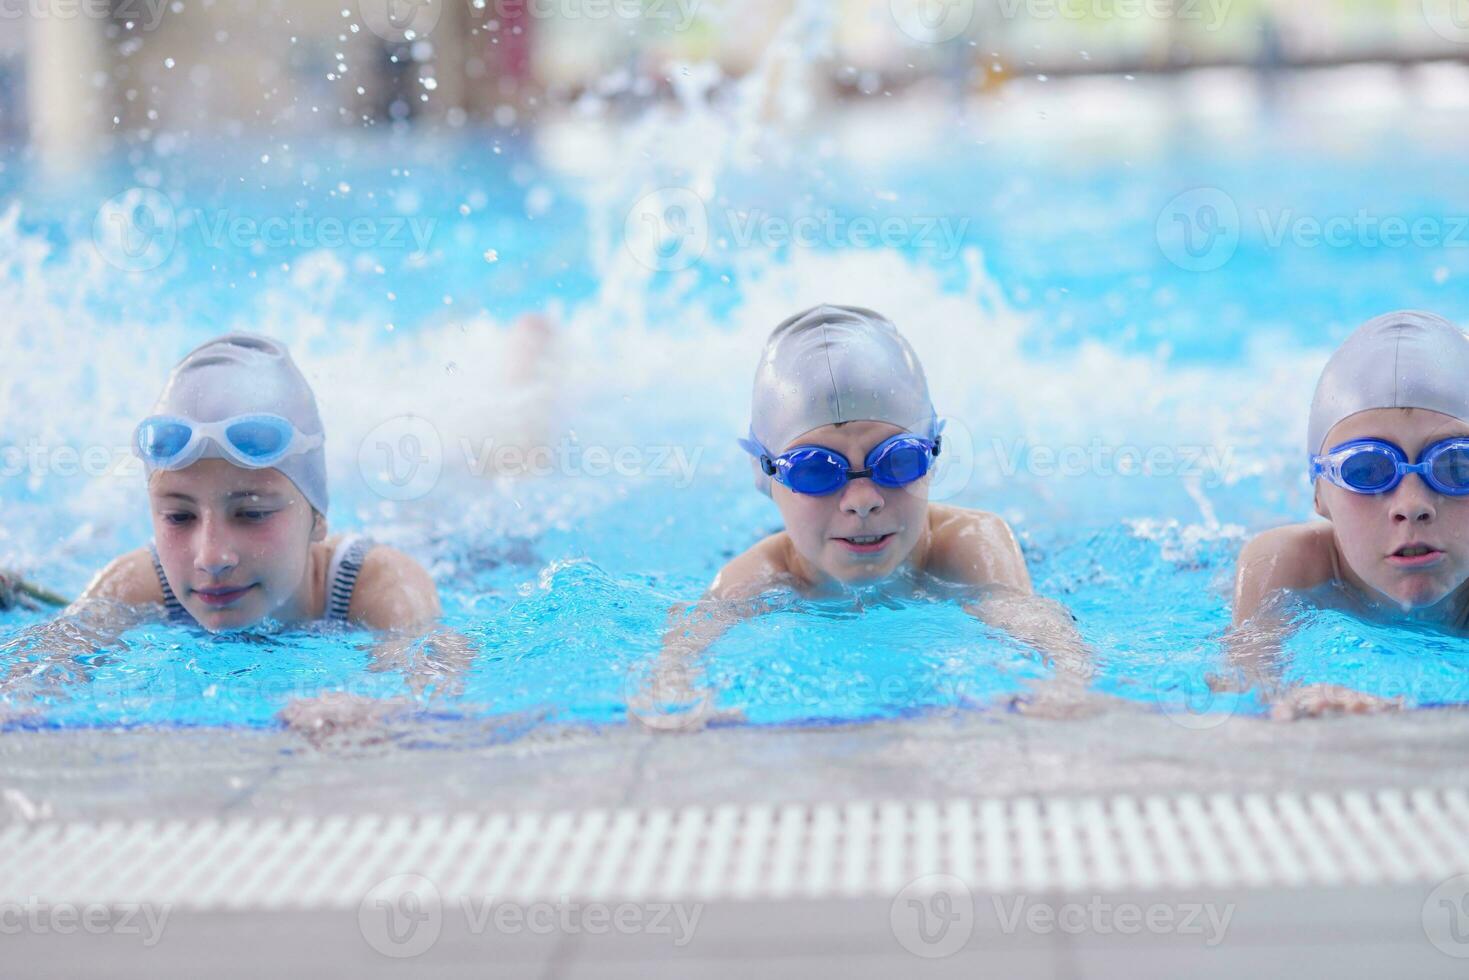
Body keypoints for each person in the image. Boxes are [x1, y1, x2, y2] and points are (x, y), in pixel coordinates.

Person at [632, 304, 1091, 730]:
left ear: (933, 457)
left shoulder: (970, 544)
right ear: (767, 475)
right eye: (815, 471)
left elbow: (1052, 643)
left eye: (897, 461)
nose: (862, 499)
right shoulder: (756, 577)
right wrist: (677, 694)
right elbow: (673, 663)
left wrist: (1062, 687)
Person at [1, 334, 468, 733]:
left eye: (252, 513)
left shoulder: (380, 584)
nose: (211, 557)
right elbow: (42, 665)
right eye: (179, 518)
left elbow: (435, 679)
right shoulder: (143, 580)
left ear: (318, 517)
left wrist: (379, 711)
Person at [1230, 310, 1469, 718]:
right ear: (1320, 493)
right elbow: (1242, 692)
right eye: (1367, 471)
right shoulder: (1287, 567)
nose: (1412, 505)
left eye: (1456, 466)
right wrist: (1299, 699)